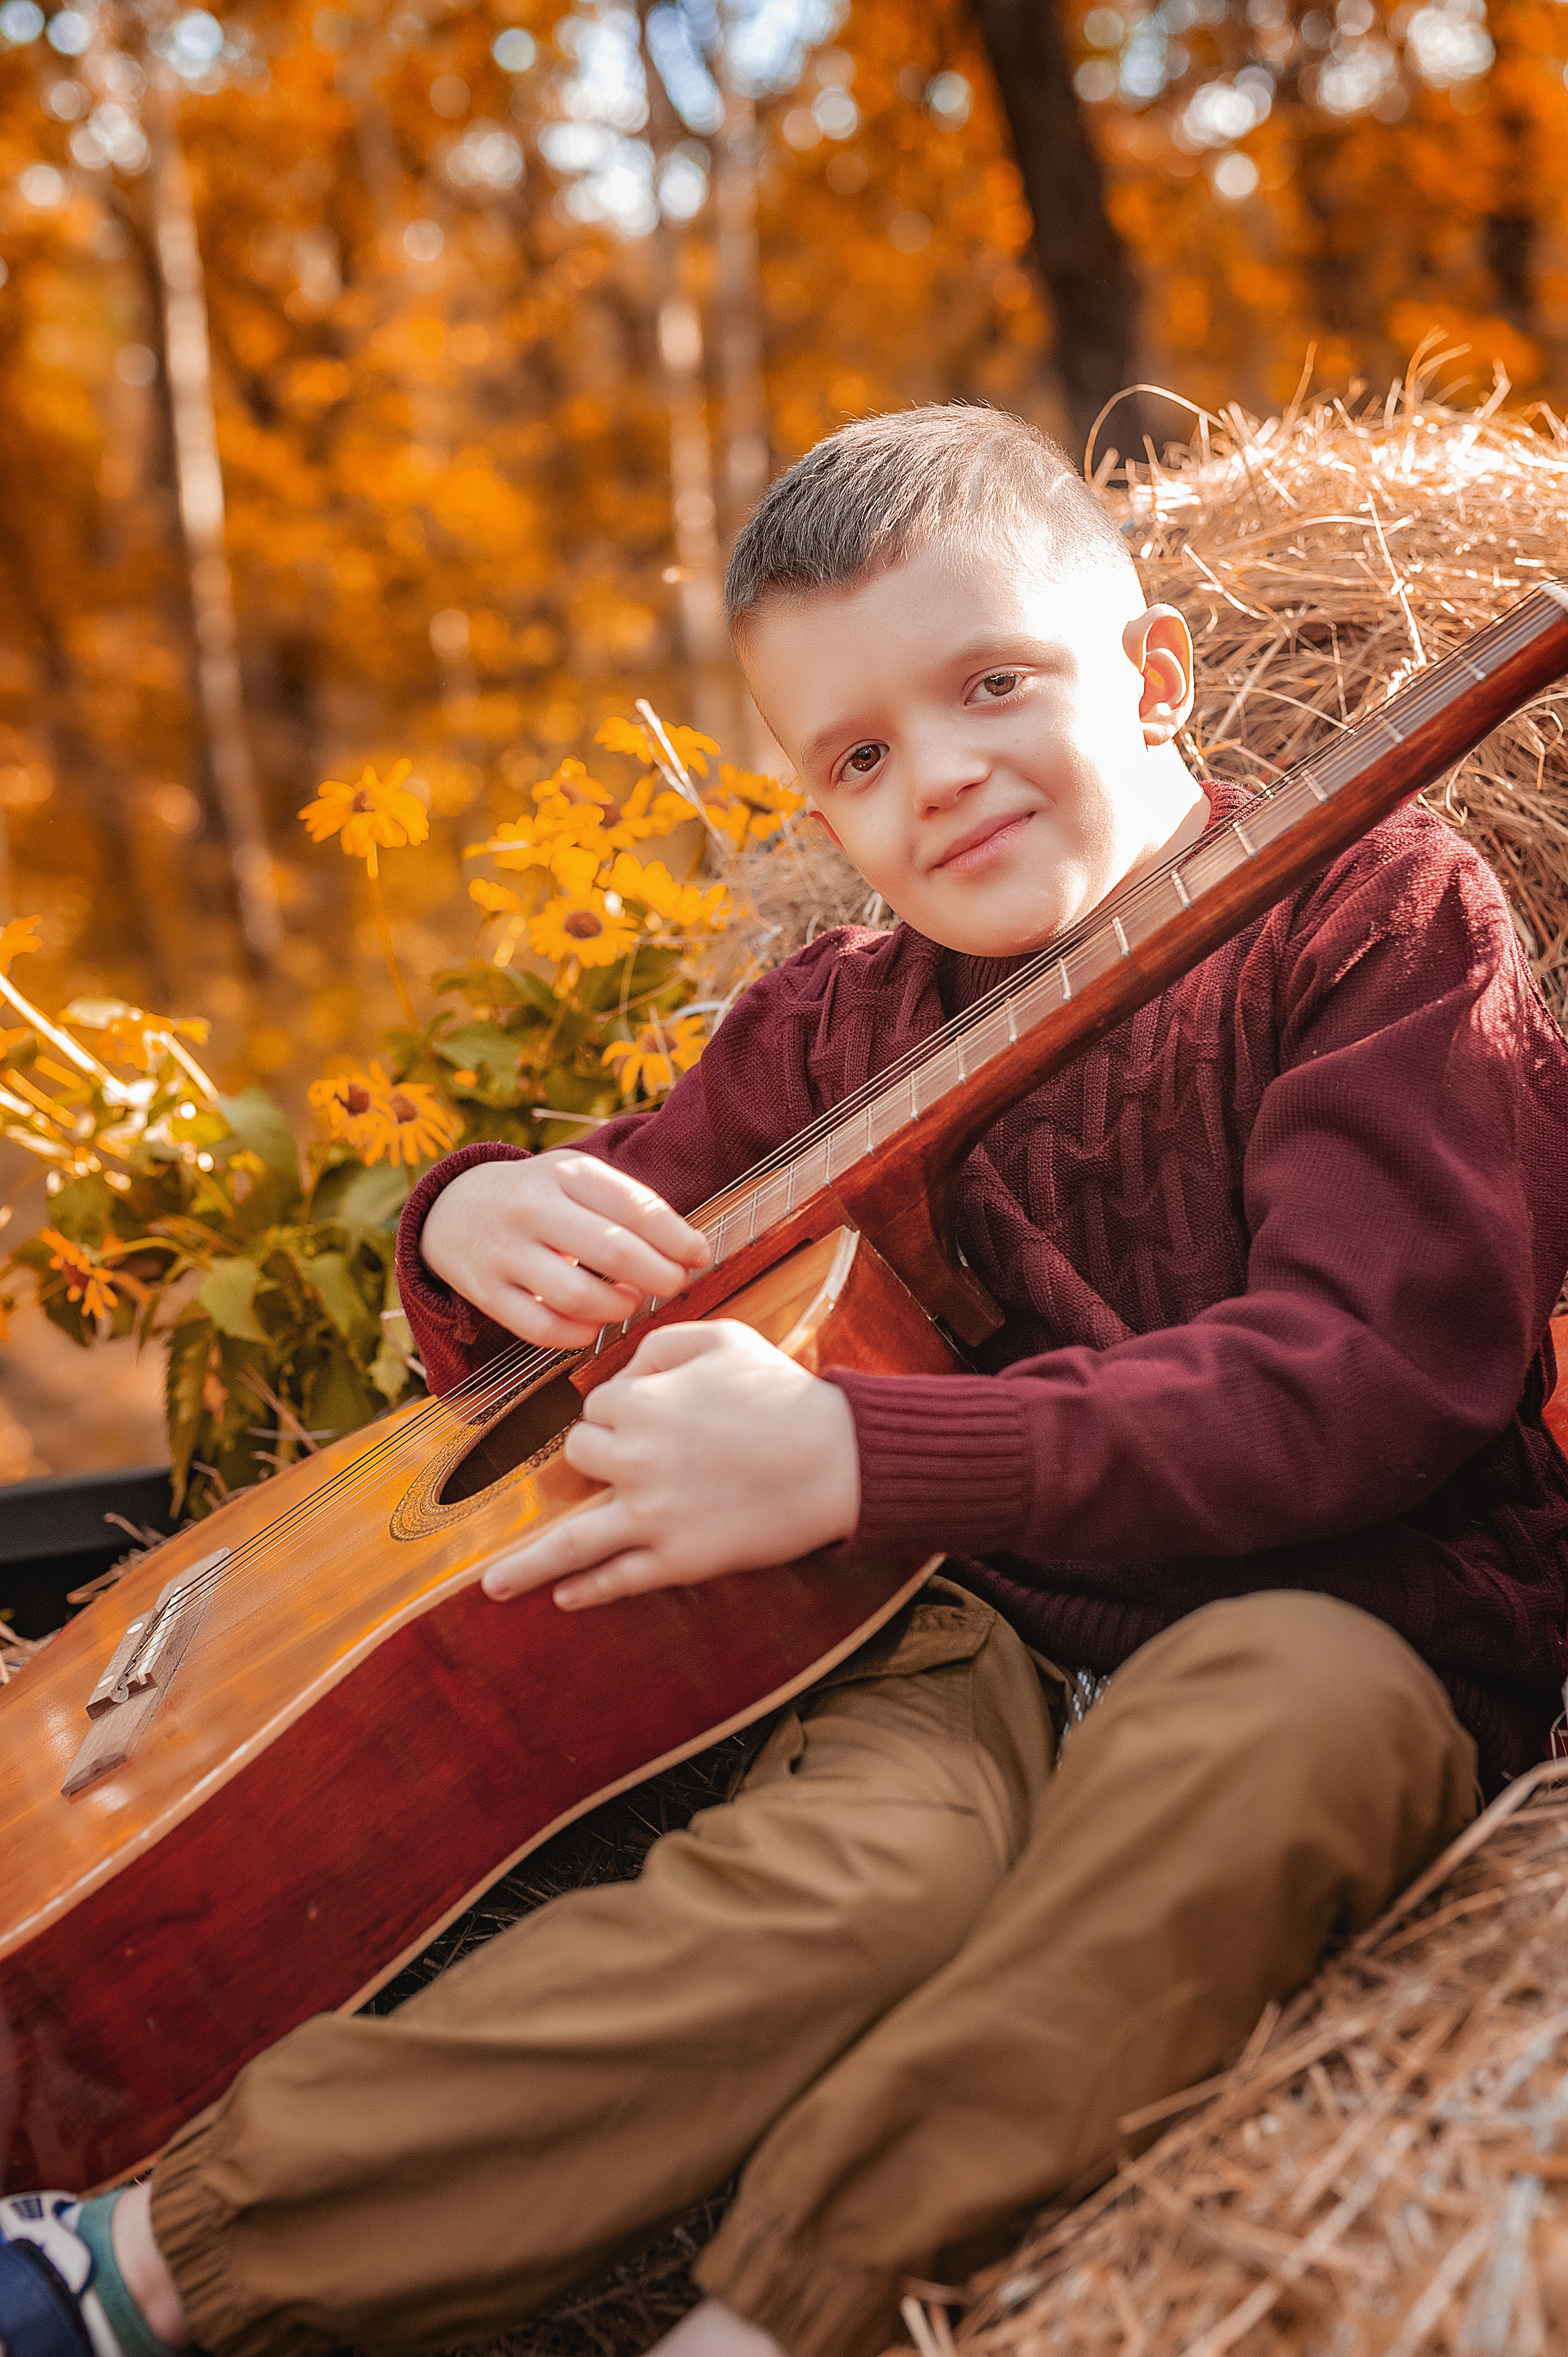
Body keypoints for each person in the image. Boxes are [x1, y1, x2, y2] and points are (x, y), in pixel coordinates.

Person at [6, 405, 1567, 2357]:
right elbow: (592, 1262)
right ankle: (144, 2267)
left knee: (1245, 1761)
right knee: (850, 1885)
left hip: (1350, 1607)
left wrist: (857, 1447)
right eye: (860, 755)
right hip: (955, 1634)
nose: (944, 777)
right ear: (820, 812)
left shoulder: (1373, 907)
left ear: (1153, 673)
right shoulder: (831, 1022)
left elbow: (1366, 1378)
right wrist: (480, 1228)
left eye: (994, 684)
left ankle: (766, 2321)